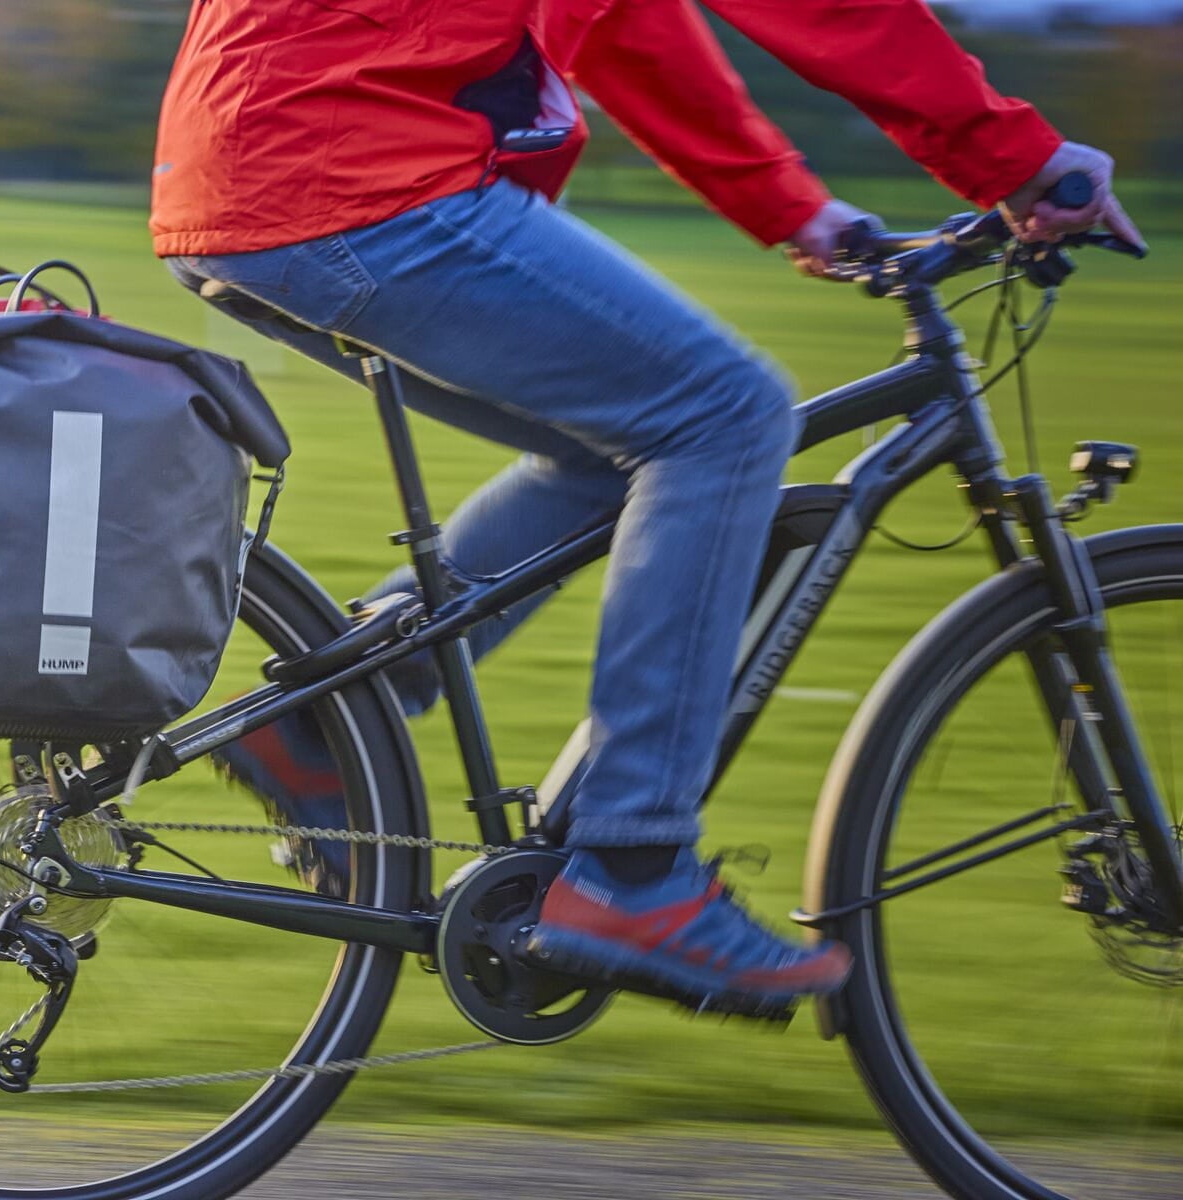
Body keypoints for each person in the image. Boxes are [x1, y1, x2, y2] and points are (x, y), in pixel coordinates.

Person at [152, 0, 1143, 1016]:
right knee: (726, 413)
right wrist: (1016, 157)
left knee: (616, 448)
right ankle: (633, 868)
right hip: (357, 170)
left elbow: (614, 21)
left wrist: (794, 207)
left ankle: (321, 731)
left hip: (246, 171)